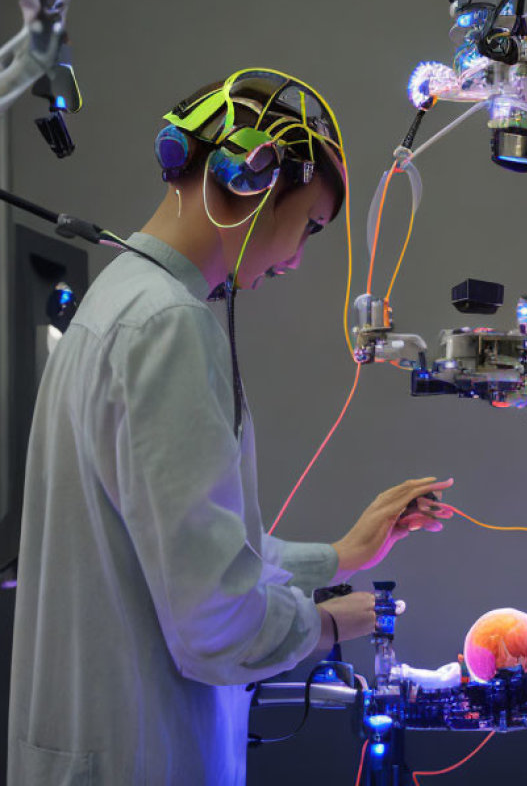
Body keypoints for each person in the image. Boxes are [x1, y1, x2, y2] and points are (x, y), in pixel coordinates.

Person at [7, 69, 453, 785]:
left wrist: (337, 558)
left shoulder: (119, 300)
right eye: (307, 225)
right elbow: (213, 624)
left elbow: (174, 544)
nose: (297, 258)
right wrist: (333, 622)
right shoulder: (169, 326)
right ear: (252, 178)